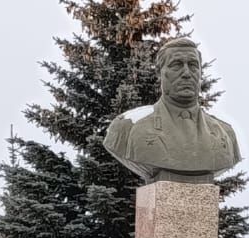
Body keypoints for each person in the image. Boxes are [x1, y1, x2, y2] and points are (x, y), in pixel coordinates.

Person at [103, 36, 241, 184]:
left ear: (200, 72)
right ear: (160, 73)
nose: (187, 73)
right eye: (176, 65)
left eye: (193, 65)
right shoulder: (127, 128)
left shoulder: (226, 133)